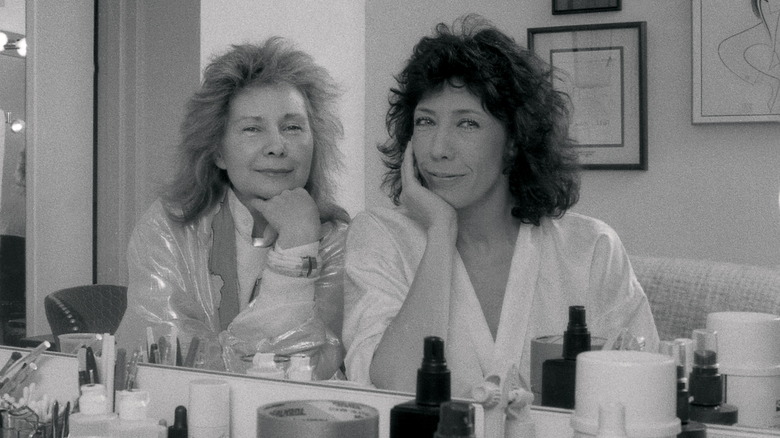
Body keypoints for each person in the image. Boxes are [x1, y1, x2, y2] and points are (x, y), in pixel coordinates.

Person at [342, 14, 660, 396]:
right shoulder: (379, 236)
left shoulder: (591, 250)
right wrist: (441, 232)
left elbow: (646, 394)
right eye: (425, 122)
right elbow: (398, 388)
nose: (438, 149)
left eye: (467, 124)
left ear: (514, 140)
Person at [116, 37, 349, 379]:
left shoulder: (336, 240)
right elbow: (173, 364)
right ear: (218, 152)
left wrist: (299, 242)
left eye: (293, 127)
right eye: (253, 129)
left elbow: (312, 374)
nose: (277, 146)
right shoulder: (170, 227)